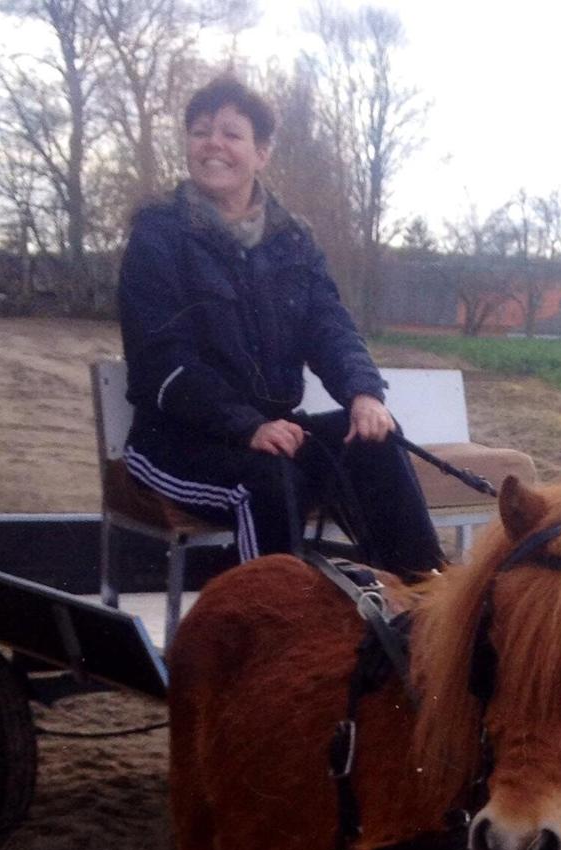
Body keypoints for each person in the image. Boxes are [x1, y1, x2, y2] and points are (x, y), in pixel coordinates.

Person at [117, 75, 445, 578]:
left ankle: (423, 603)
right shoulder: (158, 235)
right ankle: (271, 640)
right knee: (266, 483)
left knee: (375, 439)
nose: (213, 144)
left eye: (231, 133)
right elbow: (162, 362)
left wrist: (363, 394)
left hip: (273, 433)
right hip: (175, 444)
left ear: (261, 152)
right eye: (201, 131)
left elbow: (330, 327)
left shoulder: (292, 240)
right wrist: (246, 426)